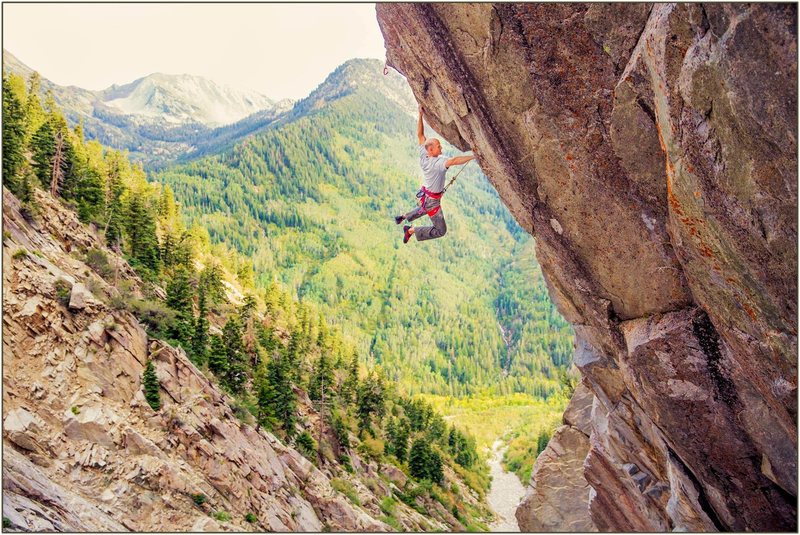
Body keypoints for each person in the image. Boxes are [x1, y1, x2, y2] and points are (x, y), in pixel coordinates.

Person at [395, 106, 475, 243]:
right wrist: (474, 156)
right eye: (439, 146)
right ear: (431, 149)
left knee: (424, 208)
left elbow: (420, 135)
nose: (441, 148)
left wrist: (420, 115)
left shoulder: (424, 154)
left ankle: (403, 217)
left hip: (426, 195)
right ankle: (410, 230)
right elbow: (455, 161)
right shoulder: (438, 164)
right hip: (431, 199)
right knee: (440, 231)